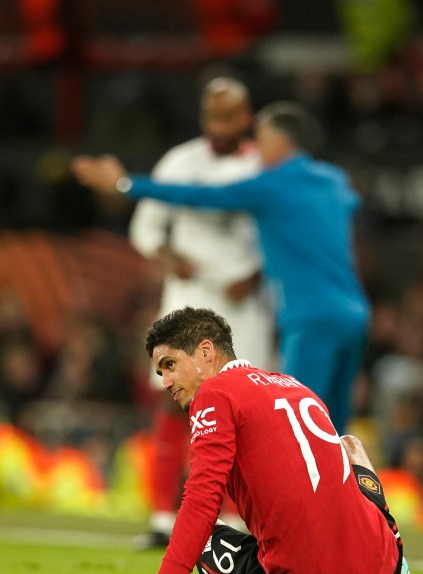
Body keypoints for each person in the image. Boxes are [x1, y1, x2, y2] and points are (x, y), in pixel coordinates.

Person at [72, 101, 370, 438]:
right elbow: (350, 202)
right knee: (336, 426)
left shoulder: (273, 185)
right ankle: (346, 490)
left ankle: (298, 492)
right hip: (355, 313)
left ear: (281, 141)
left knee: (301, 426)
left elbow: (202, 195)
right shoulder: (334, 181)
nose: (257, 147)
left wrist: (125, 185)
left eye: (261, 137)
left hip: (312, 317)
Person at [111, 306, 409, 574]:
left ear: (205, 352)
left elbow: (202, 497)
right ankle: (397, 565)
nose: (165, 382)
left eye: (170, 364)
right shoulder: (295, 386)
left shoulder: (213, 393)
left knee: (203, 539)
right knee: (351, 445)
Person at [126, 77, 273, 549]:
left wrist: (258, 272)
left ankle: (234, 520)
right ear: (203, 117)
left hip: (245, 305)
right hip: (189, 300)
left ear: (248, 117)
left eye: (232, 116)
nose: (223, 125)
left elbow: (286, 232)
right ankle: (162, 518)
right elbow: (146, 228)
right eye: (215, 116)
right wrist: (172, 259)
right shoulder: (181, 162)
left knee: (246, 409)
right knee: (170, 404)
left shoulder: (264, 165)